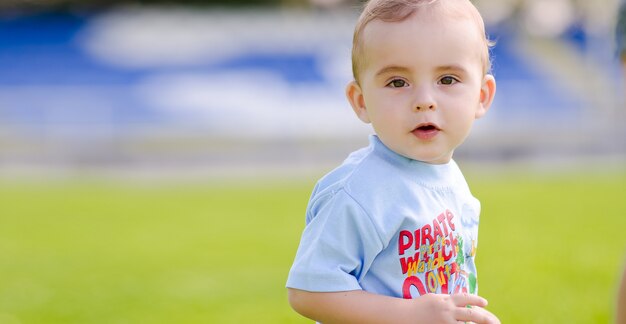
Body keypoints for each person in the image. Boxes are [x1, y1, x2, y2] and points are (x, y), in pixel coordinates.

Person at [286, 0, 499, 323]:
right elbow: (308, 291)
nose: (424, 101)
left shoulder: (449, 178)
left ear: (481, 96)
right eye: (398, 82)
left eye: (448, 80)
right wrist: (411, 314)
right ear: (361, 102)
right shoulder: (359, 191)